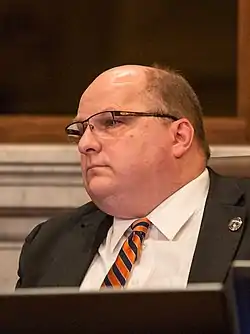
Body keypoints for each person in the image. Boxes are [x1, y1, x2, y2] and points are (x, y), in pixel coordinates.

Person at [16, 64, 250, 289]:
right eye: (80, 131)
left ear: (179, 137)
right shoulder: (49, 244)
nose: (85, 144)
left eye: (111, 121)